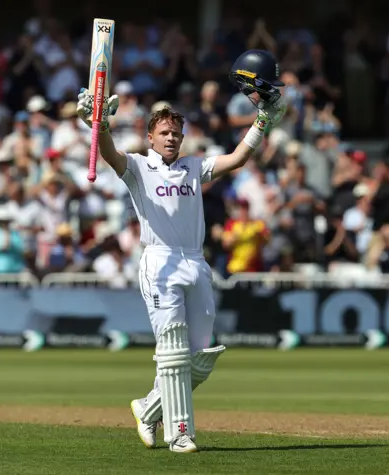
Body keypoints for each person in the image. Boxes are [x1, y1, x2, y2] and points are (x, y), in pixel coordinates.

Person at [76, 49, 286, 453]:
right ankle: (179, 432)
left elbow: (238, 158)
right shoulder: (138, 167)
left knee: (201, 355)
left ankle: (148, 406)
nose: (171, 138)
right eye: (164, 133)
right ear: (151, 137)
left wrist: (262, 122)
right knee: (172, 349)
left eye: (176, 133)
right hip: (159, 260)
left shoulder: (193, 167)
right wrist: (98, 122)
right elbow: (109, 153)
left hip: (195, 260)